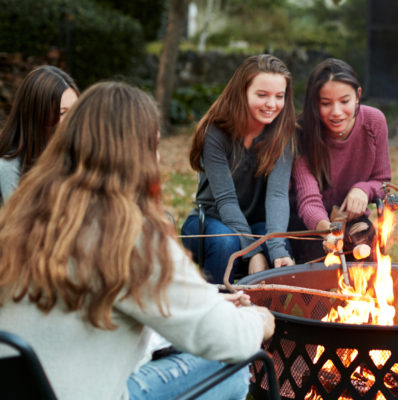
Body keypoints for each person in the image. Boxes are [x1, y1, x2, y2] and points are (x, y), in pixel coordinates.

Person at [0, 82, 276, 400]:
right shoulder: (127, 233)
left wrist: (205, 304)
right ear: (138, 155)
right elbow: (229, 340)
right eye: (154, 145)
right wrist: (257, 320)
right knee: (237, 363)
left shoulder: (25, 214)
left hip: (28, 386)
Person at [181, 54, 297, 284]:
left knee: (281, 244)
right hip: (210, 221)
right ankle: (216, 308)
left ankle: (271, 316)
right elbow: (226, 201)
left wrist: (277, 250)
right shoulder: (215, 133)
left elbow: (277, 195)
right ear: (242, 92)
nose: (271, 104)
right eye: (261, 95)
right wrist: (252, 252)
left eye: (279, 96)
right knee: (228, 243)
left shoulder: (283, 134)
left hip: (257, 225)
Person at [289, 58, 391, 263]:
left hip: (352, 217)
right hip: (309, 223)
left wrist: (363, 188)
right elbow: (308, 201)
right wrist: (331, 232)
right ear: (314, 103)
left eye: (344, 101)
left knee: (365, 242)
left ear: (358, 96)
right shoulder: (300, 132)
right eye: (326, 103)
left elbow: (383, 181)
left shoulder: (374, 122)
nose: (336, 112)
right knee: (319, 265)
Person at [0, 65, 79, 205]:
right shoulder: (8, 167)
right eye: (62, 112)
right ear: (37, 116)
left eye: (75, 111)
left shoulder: (77, 156)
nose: (71, 120)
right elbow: (21, 222)